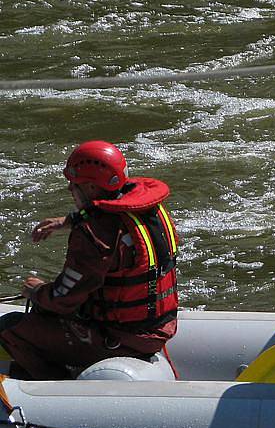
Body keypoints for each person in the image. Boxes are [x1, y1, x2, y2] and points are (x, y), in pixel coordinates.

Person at [0, 141, 179, 380]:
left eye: (74, 184)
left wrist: (37, 291)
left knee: (11, 328)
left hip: (119, 338)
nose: (69, 189)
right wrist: (69, 220)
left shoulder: (92, 235)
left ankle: (55, 392)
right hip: (156, 329)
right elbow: (108, 213)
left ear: (92, 187)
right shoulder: (151, 211)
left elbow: (64, 300)